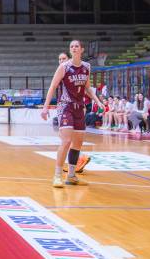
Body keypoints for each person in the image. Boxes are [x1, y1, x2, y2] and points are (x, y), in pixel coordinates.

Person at [41, 40, 104, 188]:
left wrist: (97, 101)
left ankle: (71, 175)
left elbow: (88, 88)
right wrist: (45, 107)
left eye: (76, 46)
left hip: (79, 107)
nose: (74, 48)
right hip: (66, 106)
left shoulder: (87, 67)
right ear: (70, 50)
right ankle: (57, 175)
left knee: (78, 142)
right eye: (71, 46)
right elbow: (53, 86)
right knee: (66, 141)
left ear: (81, 49)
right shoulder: (64, 67)